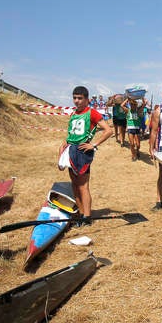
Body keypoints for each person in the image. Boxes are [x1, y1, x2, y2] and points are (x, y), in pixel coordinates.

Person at [60, 86, 111, 226]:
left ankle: (87, 217)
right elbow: (71, 134)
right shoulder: (73, 113)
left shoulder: (92, 113)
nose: (77, 101)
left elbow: (108, 131)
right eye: (74, 98)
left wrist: (93, 145)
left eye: (80, 98)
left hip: (83, 153)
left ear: (87, 99)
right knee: (75, 185)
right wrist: (63, 147)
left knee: (83, 186)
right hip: (71, 151)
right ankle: (81, 214)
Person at [122, 97, 143, 161]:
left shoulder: (138, 111)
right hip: (130, 129)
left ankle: (137, 151)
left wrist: (142, 98)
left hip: (137, 129)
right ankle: (133, 155)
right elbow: (121, 105)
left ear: (136, 105)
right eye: (131, 104)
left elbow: (144, 104)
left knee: (138, 144)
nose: (133, 106)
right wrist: (127, 99)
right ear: (130, 105)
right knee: (132, 144)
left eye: (134, 104)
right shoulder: (128, 111)